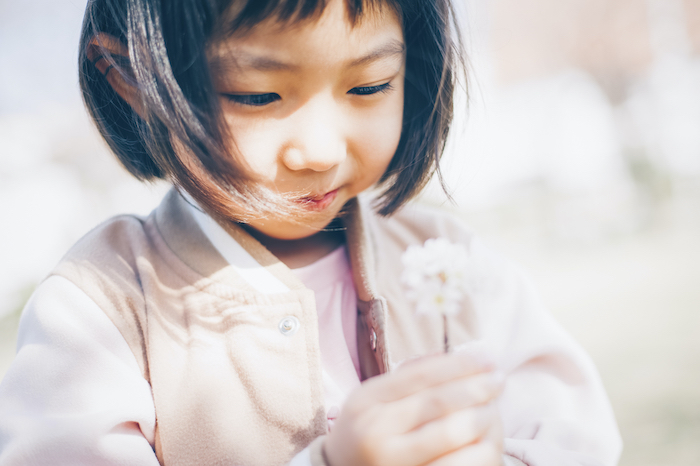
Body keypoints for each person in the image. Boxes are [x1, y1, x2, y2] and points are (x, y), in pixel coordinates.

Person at [0, 0, 622, 464]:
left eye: (370, 85)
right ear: (130, 80)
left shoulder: (446, 261)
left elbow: (580, 438)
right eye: (258, 95)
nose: (321, 150)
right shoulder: (103, 309)